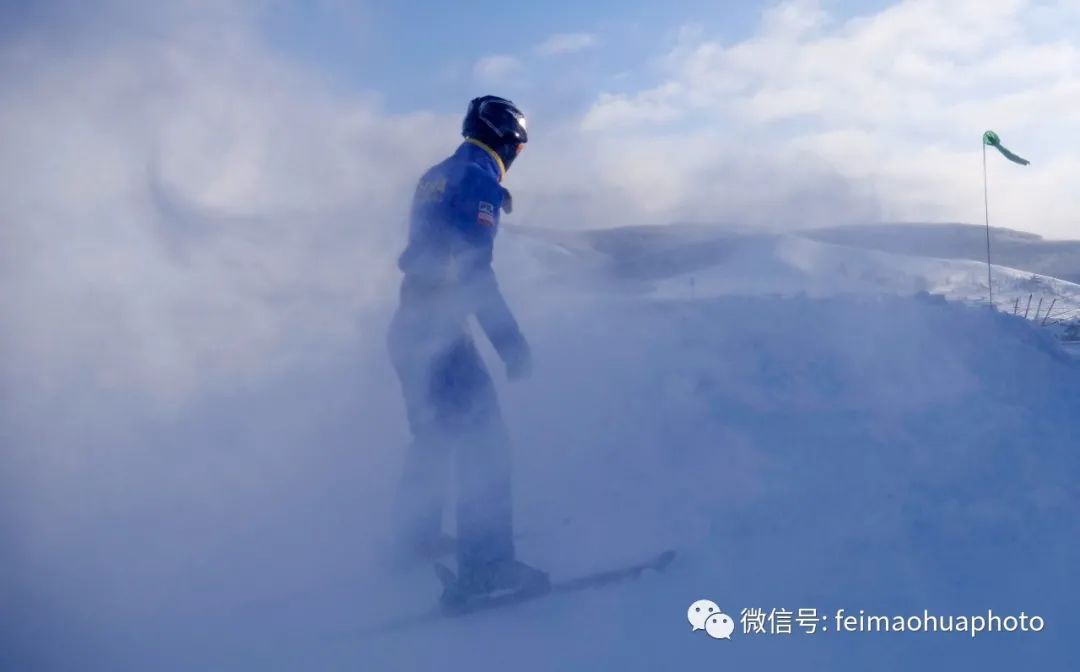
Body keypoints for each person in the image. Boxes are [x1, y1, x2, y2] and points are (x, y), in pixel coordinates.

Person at [387, 95, 548, 604]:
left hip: (408, 323)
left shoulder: (435, 173)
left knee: (432, 433)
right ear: (509, 143)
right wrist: (510, 344)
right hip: (440, 330)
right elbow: (473, 273)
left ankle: (414, 539)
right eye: (518, 146)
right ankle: (487, 566)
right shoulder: (480, 181)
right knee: (485, 445)